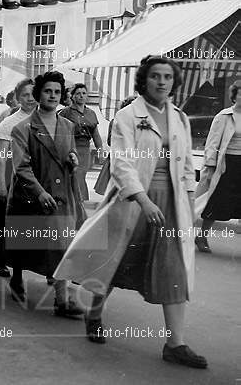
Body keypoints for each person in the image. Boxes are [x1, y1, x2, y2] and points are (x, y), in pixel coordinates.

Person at [57, 56, 206, 369]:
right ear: (144, 80)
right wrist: (143, 199)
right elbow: (122, 163)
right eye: (155, 76)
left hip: (172, 203)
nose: (162, 82)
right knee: (114, 260)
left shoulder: (179, 117)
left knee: (173, 266)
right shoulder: (128, 115)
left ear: (174, 82)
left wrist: (191, 204)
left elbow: (188, 165)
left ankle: (175, 343)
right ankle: (94, 313)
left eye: (167, 77)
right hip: (133, 200)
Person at [5, 71, 84, 318]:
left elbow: (70, 155)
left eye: (57, 92)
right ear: (38, 94)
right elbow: (21, 167)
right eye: (48, 91)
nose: (52, 96)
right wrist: (39, 192)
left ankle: (62, 300)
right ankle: (16, 277)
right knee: (25, 243)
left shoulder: (68, 125)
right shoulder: (22, 128)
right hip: (32, 194)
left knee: (64, 245)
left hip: (62, 193)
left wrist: (73, 160)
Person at [0, 78, 36, 278]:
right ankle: (0, 260)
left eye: (33, 94)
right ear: (17, 98)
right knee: (4, 220)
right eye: (25, 95)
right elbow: (1, 156)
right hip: (12, 176)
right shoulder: (8, 123)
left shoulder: (44, 120)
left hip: (36, 178)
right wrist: (1, 183)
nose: (30, 99)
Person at [195, 81, 241, 253]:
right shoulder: (224, 116)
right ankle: (201, 235)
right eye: (240, 94)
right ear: (234, 96)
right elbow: (212, 143)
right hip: (226, 165)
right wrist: (211, 164)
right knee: (216, 202)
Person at [58, 83, 103, 201]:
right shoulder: (65, 113)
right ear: (72, 96)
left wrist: (100, 150)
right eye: (78, 93)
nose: (81, 96)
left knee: (81, 174)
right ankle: (78, 200)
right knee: (75, 174)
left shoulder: (91, 113)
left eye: (84, 93)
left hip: (85, 149)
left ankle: (80, 201)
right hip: (70, 147)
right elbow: (58, 133)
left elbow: (96, 134)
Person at [93, 95, 137, 196]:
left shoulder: (139, 123)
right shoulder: (116, 121)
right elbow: (110, 141)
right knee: (113, 188)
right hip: (117, 156)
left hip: (134, 157)